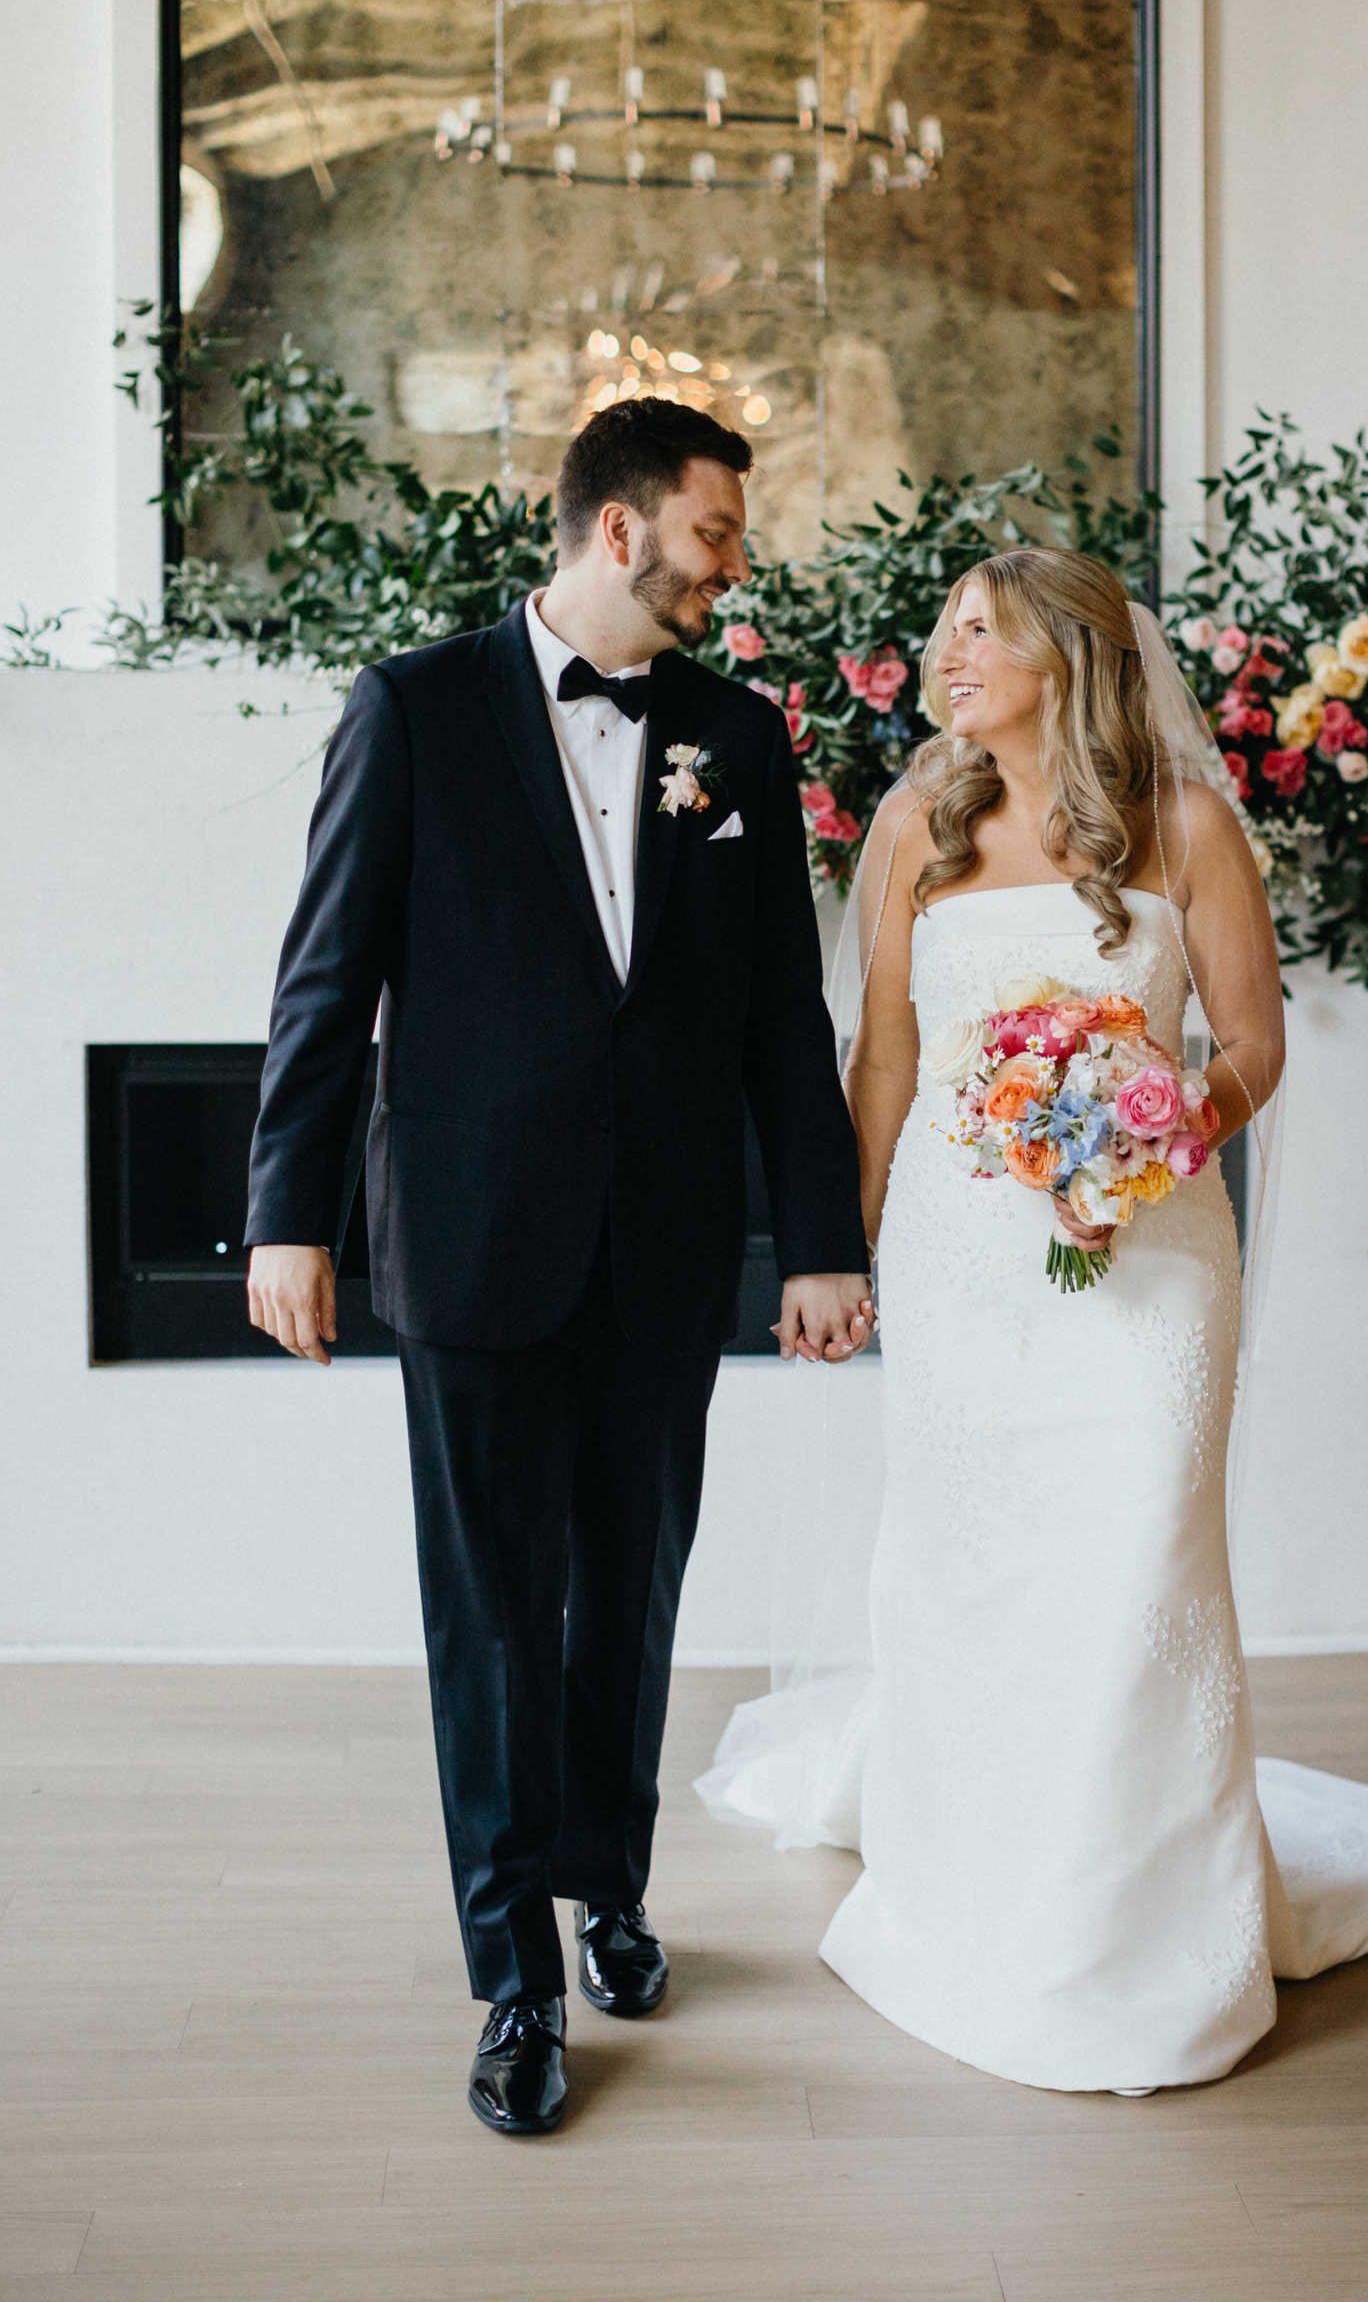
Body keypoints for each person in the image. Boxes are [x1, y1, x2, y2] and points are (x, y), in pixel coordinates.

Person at [699, 547, 1368, 2094]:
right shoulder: (913, 827)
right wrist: (846, 1247)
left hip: (1152, 1261)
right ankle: (984, 1883)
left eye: (979, 635)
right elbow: (881, 1060)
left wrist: (1151, 1133)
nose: (947, 659)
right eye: (942, 633)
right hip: (960, 1268)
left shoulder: (1189, 824)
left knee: (1139, 1557)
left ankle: (1146, 1925)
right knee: (971, 1564)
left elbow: (1255, 1043)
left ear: (1068, 659)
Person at [245, 399, 874, 2136]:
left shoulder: (739, 737)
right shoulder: (416, 708)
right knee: (494, 1618)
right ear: (621, 529)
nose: (734, 565)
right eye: (716, 533)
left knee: (633, 1595)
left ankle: (613, 1886)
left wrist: (816, 1241)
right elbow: (327, 981)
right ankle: (513, 1970)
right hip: (465, 1237)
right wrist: (287, 1215)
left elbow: (776, 1020)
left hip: (665, 1252)